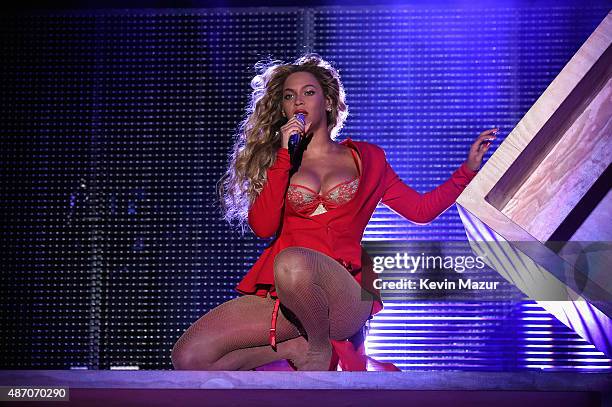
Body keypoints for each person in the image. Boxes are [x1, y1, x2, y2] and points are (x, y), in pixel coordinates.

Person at [170, 54, 497, 371]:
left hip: (343, 295)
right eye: (289, 96)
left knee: (294, 262)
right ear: (283, 109)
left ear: (327, 102)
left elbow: (421, 210)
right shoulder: (281, 162)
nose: (298, 101)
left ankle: (319, 345)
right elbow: (262, 226)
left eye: (308, 93)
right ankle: (295, 346)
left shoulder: (368, 159)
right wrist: (284, 157)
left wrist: (467, 170)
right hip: (288, 294)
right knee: (189, 356)